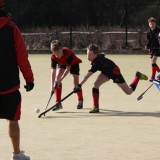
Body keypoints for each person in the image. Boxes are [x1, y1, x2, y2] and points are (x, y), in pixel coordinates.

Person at [0, 1, 34, 160]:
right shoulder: (12, 29)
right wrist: (29, 79)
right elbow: (22, 57)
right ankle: (16, 154)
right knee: (12, 120)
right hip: (9, 86)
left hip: (9, 85)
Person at [74, 44, 148, 113]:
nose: (87, 56)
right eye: (87, 54)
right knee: (96, 85)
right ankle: (96, 107)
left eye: (90, 54)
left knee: (129, 92)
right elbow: (102, 55)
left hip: (114, 73)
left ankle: (137, 76)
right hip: (105, 72)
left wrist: (79, 85)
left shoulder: (97, 63)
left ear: (95, 54)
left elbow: (88, 75)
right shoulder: (97, 58)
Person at [51, 40, 83, 110]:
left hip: (74, 64)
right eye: (54, 53)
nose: (56, 55)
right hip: (62, 63)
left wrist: (61, 80)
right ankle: (58, 103)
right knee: (57, 78)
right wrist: (52, 86)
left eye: (58, 53)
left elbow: (68, 69)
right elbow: (53, 71)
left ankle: (80, 100)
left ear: (61, 49)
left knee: (75, 83)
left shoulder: (69, 53)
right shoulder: (53, 57)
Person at [146, 17, 160, 82]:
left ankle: (154, 76)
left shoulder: (158, 30)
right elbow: (149, 40)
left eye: (153, 24)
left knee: (153, 61)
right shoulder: (148, 31)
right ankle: (153, 77)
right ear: (149, 24)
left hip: (158, 48)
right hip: (151, 48)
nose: (152, 25)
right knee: (152, 63)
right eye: (150, 24)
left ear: (155, 24)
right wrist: (147, 46)